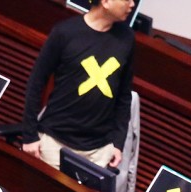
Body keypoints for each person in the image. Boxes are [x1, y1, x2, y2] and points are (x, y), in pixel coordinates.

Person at [22, 0, 136, 170]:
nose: (132, 4)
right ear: (105, 2)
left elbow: (124, 95)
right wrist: (29, 135)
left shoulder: (126, 38)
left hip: (99, 151)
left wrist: (118, 143)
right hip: (54, 143)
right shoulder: (65, 32)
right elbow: (36, 83)